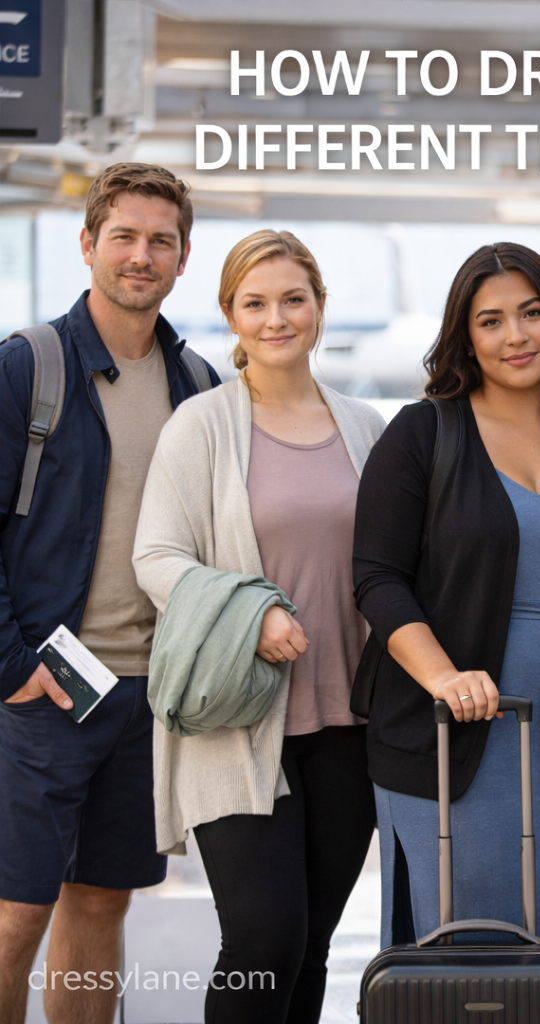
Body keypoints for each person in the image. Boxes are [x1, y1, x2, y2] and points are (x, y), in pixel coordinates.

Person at [352, 242, 540, 1005]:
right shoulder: (422, 435)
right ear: (465, 336)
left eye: (531, 313)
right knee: (466, 963)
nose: (515, 335)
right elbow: (377, 579)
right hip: (452, 738)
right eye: (490, 320)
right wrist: (444, 677)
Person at [133, 230, 384, 1024]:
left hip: (349, 723)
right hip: (238, 725)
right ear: (231, 317)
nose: (277, 318)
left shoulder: (365, 426)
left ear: (317, 307)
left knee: (310, 942)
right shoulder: (200, 427)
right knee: (260, 939)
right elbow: (156, 557)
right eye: (256, 303)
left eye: (293, 299)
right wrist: (253, 612)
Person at [0, 163, 218, 1024]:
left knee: (102, 902)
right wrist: (12, 668)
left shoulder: (197, 384)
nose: (141, 255)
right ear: (88, 244)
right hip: (44, 694)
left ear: (183, 257)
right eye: (123, 236)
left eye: (160, 240)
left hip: (145, 699)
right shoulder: (29, 368)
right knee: (17, 913)